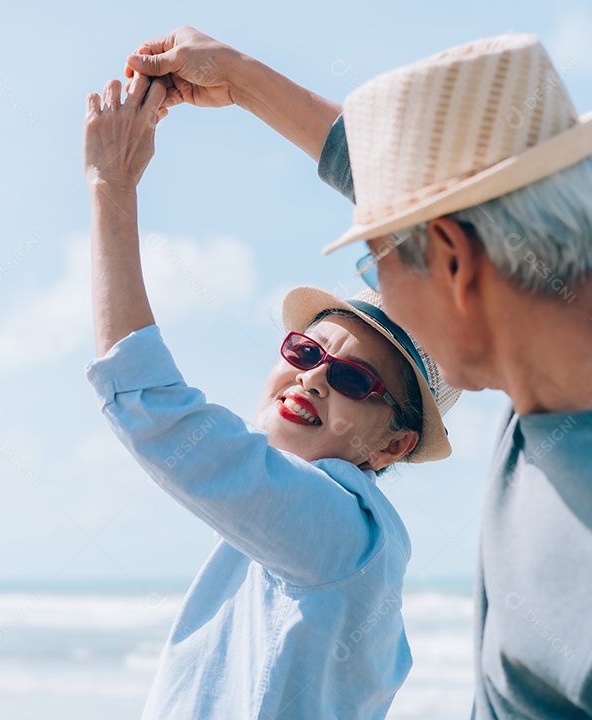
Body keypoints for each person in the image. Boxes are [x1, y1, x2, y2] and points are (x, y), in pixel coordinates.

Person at [125, 28, 592, 718]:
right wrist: (241, 79)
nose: (384, 302)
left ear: (454, 260)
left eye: (376, 267)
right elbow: (446, 206)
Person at [81, 72, 461, 719]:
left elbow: (154, 410)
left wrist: (110, 187)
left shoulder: (343, 532)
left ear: (393, 445)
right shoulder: (300, 529)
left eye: (353, 380)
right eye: (306, 352)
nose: (313, 378)